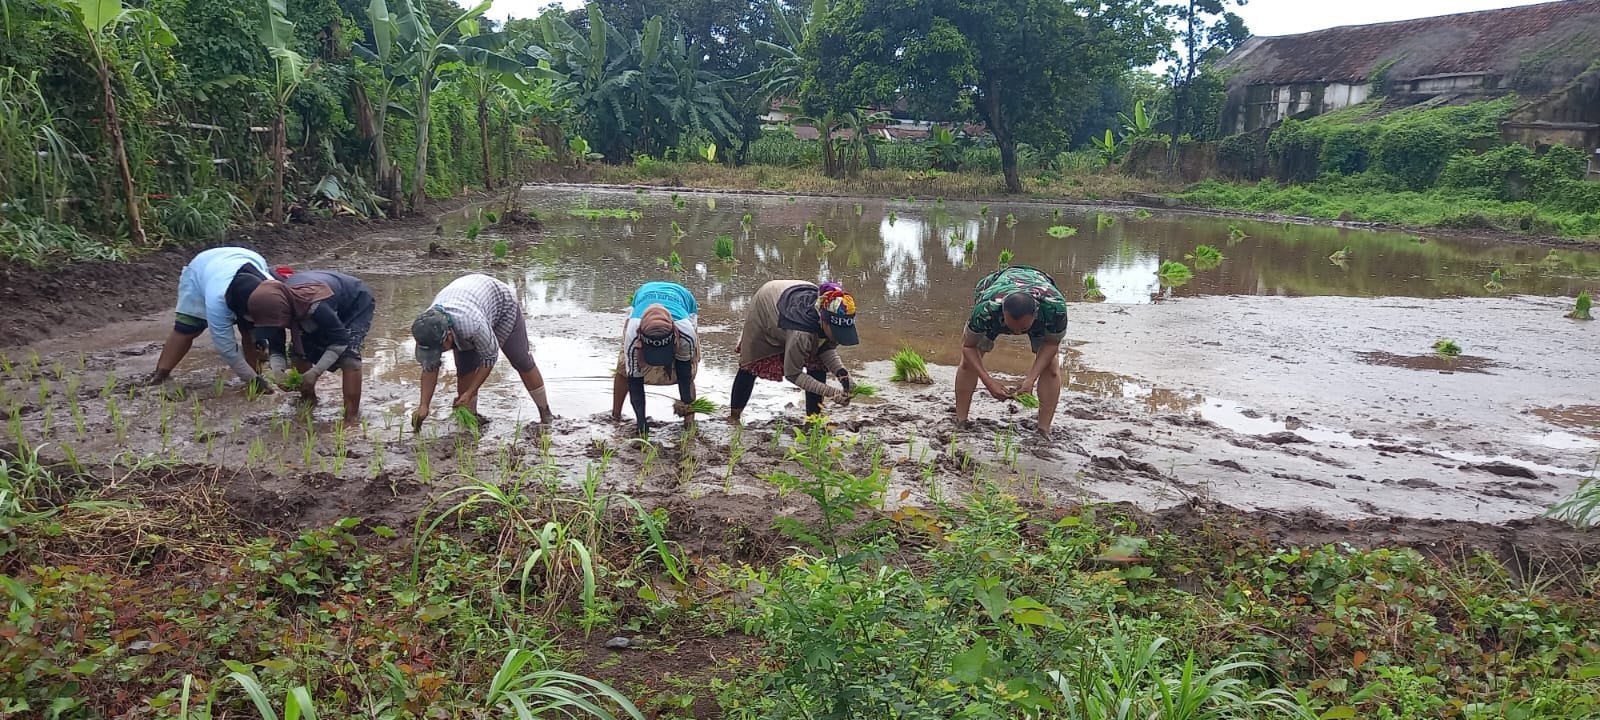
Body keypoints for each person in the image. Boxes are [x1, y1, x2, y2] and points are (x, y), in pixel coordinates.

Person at [409, 273, 553, 430]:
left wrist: (471, 392)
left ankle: (545, 413)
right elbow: (430, 367)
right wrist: (423, 406)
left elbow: (490, 357)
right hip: (469, 301)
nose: (438, 353)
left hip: (502, 305)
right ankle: (470, 422)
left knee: (520, 359)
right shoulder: (428, 328)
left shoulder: (472, 325)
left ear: (448, 335)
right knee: (465, 370)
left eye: (440, 349)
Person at [247, 269, 376, 424]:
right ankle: (308, 399)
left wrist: (315, 372)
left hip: (353, 302)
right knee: (298, 351)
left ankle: (351, 418)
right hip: (314, 306)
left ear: (286, 312)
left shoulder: (315, 305)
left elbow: (340, 340)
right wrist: (277, 370)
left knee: (349, 358)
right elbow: (276, 344)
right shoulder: (273, 307)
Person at [147, 246, 278, 394]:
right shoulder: (216, 302)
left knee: (251, 332)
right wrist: (250, 379)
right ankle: (160, 375)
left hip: (247, 258)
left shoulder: (272, 290)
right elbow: (227, 349)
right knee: (187, 328)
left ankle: (256, 373)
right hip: (202, 269)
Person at [956, 264, 1068, 435]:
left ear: (1035, 313)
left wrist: (1030, 380)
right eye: (1012, 327)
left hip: (1042, 288)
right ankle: (961, 421)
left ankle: (1043, 430)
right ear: (1002, 313)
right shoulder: (986, 308)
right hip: (995, 291)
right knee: (969, 361)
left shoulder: (1054, 307)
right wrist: (988, 382)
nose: (1016, 333)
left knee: (1051, 367)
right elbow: (968, 346)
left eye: (1022, 328)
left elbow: (1052, 344)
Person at [730, 280, 859, 421]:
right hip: (767, 305)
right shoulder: (801, 334)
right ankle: (734, 417)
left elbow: (825, 350)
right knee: (750, 366)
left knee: (818, 366)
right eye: (836, 332)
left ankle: (813, 421)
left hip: (793, 293)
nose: (838, 337)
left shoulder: (830, 312)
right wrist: (831, 393)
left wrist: (844, 376)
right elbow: (793, 373)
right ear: (824, 322)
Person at [611, 281, 700, 436]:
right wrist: (641, 424)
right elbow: (634, 380)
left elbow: (685, 374)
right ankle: (615, 415)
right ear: (640, 341)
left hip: (683, 298)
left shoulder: (686, 332)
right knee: (624, 369)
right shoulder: (633, 334)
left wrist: (685, 406)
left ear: (675, 338)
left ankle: (689, 422)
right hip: (644, 293)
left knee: (688, 371)